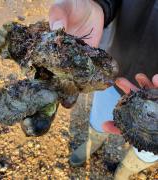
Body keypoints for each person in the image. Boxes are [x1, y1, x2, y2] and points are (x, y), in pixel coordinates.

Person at [49, 0, 158, 179]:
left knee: (150, 148)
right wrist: (99, 4)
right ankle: (93, 142)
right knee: (100, 115)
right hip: (116, 63)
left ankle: (128, 168)